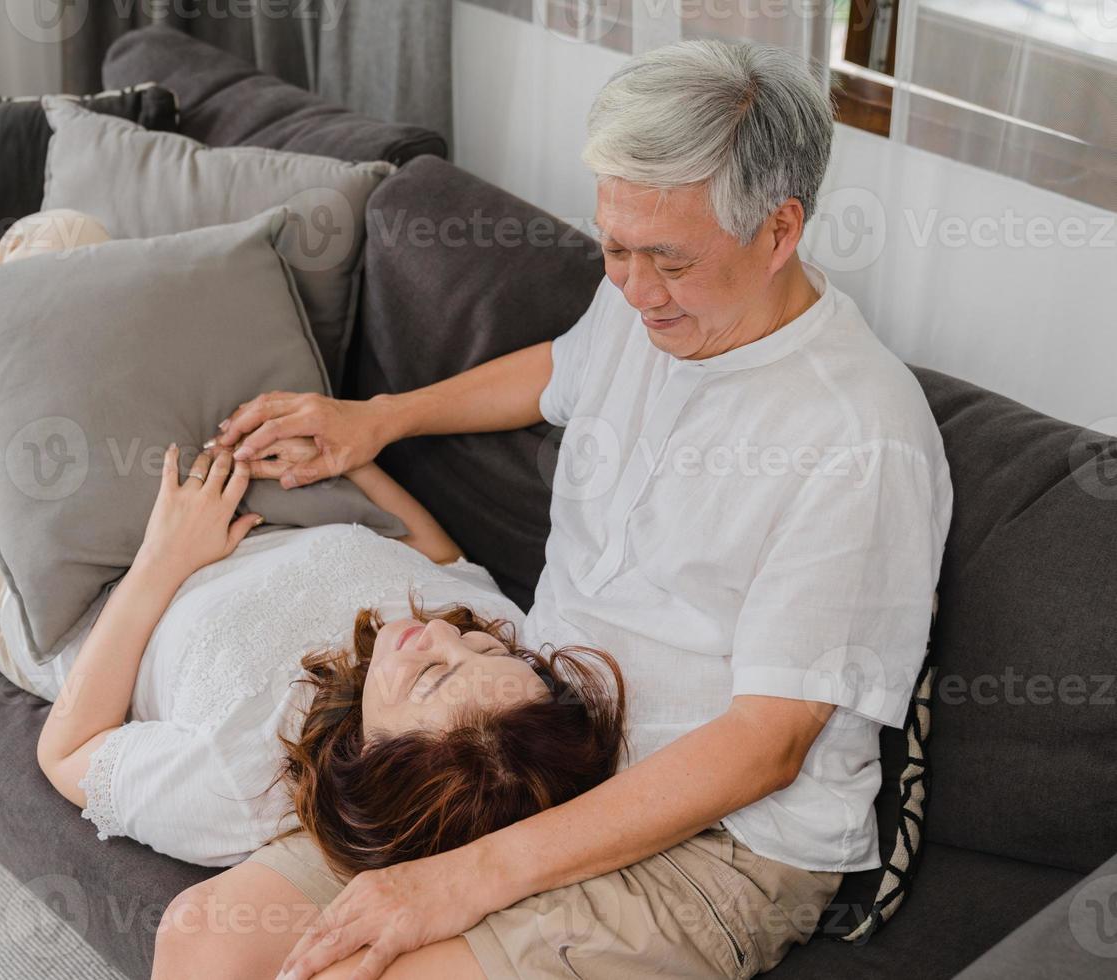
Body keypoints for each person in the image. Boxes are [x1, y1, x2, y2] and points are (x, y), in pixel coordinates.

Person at [167, 38, 953, 980]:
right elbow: (559, 372)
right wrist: (377, 420)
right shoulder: (645, 303)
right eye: (613, 246)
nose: (629, 285)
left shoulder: (862, 439)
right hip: (530, 745)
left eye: (664, 259)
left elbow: (765, 747)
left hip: (721, 839)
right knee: (206, 939)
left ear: (779, 232)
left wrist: (461, 881)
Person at [0, 208, 628, 868]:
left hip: (91, 586)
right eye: (476, 644)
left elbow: (66, 753)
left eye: (430, 672)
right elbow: (440, 558)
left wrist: (164, 562)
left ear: (385, 762)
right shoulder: (497, 672)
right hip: (233, 498)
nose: (439, 634)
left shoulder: (242, 789)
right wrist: (345, 456)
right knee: (61, 240)